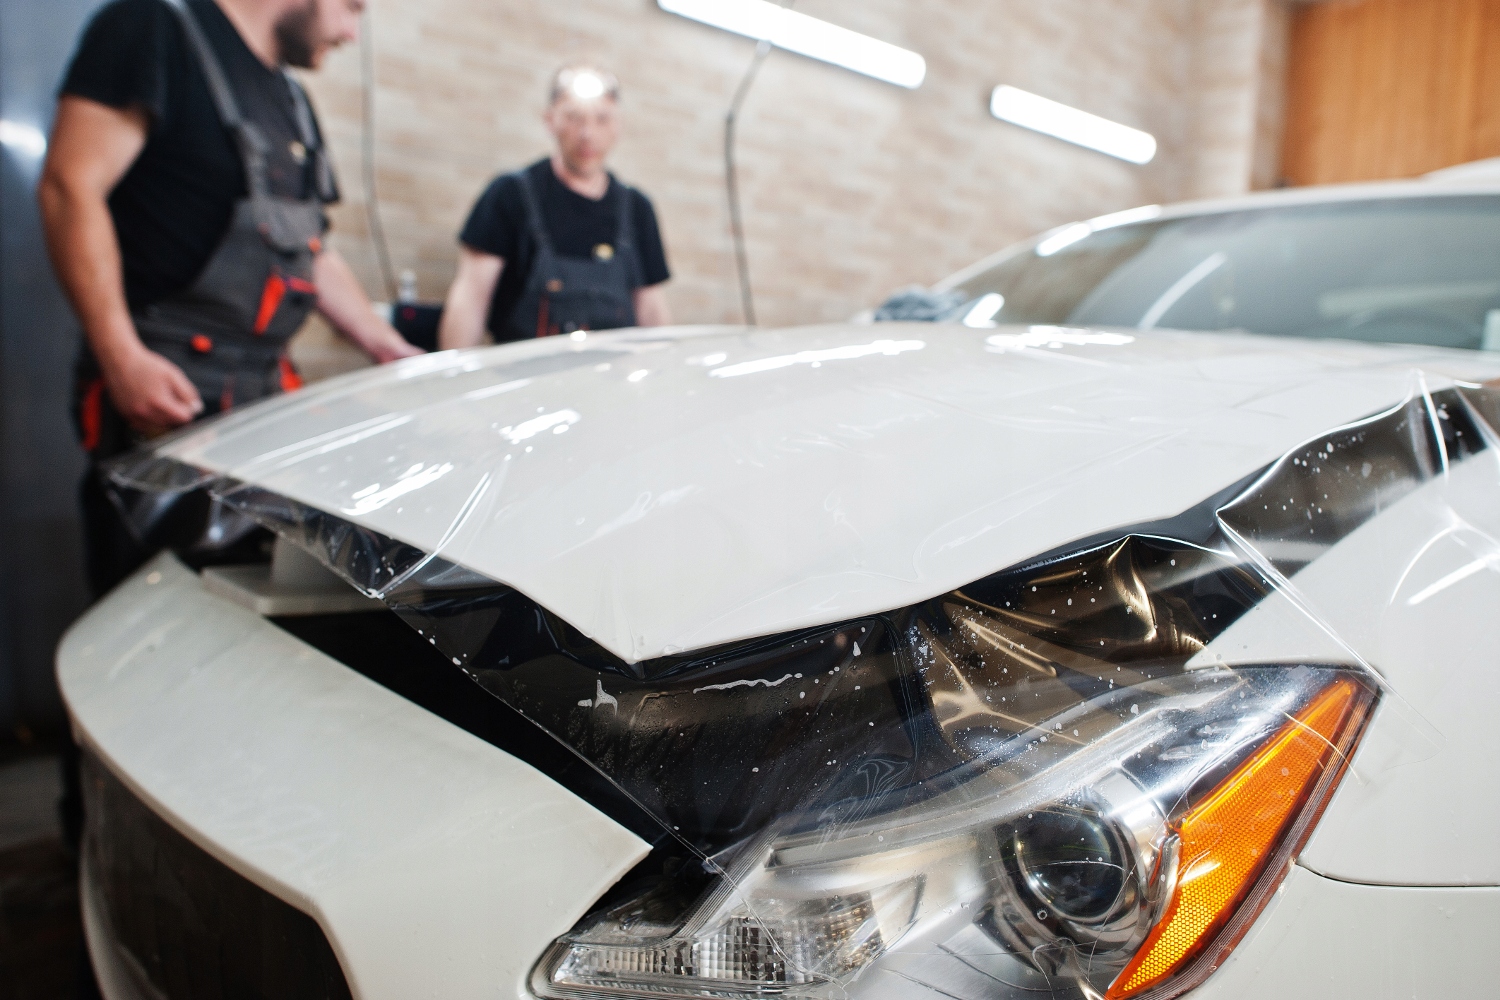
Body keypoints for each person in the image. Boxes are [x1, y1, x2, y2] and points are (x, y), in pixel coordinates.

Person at [39, 0, 422, 598]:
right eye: (351, 7)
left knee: (238, 605)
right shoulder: (153, 29)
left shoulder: (291, 99)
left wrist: (387, 347)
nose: (352, 32)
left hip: (259, 407)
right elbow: (70, 186)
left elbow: (311, 250)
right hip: (163, 396)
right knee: (151, 608)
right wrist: (120, 355)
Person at [439, 66, 672, 348]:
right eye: (574, 118)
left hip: (615, 373)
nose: (587, 134)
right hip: (526, 372)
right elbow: (471, 298)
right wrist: (456, 365)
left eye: (602, 119)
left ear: (618, 125)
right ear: (550, 120)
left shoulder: (637, 209)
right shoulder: (509, 195)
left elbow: (651, 308)